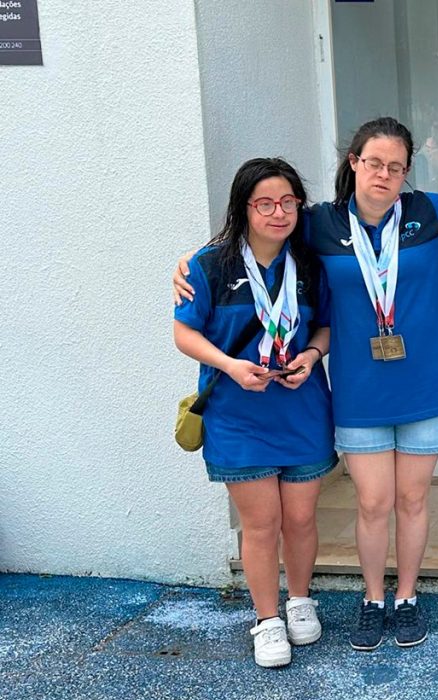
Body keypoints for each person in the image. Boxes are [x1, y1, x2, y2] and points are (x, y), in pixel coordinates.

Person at [174, 118, 438, 653]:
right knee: (372, 502)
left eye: (396, 166)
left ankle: (407, 596)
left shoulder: (428, 212)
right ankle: (372, 599)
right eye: (373, 163)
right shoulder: (319, 223)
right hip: (360, 389)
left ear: (407, 170)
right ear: (354, 163)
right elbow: (257, 231)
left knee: (412, 501)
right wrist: (191, 262)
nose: (383, 175)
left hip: (425, 385)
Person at [173, 158, 336, 668]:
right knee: (261, 524)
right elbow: (184, 333)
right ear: (243, 208)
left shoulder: (309, 266)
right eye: (265, 203)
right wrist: (229, 365)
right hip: (237, 415)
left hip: (301, 410)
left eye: (288, 202)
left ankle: (300, 600)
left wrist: (311, 356)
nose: (278, 213)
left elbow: (324, 327)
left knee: (301, 518)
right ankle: (267, 620)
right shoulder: (209, 267)